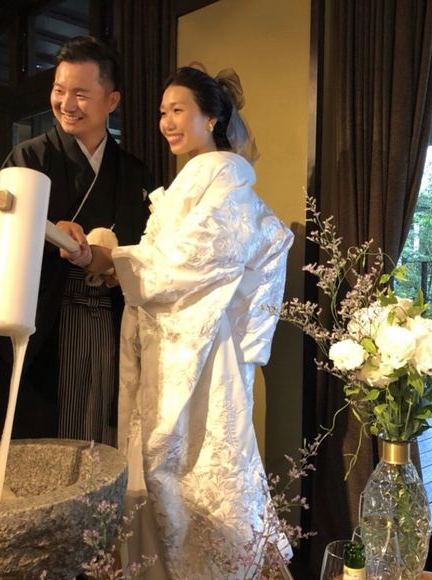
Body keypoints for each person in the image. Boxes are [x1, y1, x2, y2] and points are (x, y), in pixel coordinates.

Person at [61, 67, 294, 578]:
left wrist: (111, 258)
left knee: (198, 469)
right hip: (170, 344)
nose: (167, 122)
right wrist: (101, 255)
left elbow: (193, 260)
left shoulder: (226, 182)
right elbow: (158, 258)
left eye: (178, 110)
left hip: (203, 351)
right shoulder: (190, 183)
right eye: (163, 112)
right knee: (162, 466)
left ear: (211, 118)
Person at [0, 36, 153, 445]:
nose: (66, 103)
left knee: (107, 430)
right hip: (51, 320)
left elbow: (148, 248)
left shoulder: (134, 172)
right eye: (59, 91)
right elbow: (3, 242)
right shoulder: (29, 159)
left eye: (80, 93)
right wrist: (48, 230)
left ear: (111, 100)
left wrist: (114, 263)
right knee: (55, 436)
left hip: (112, 318)